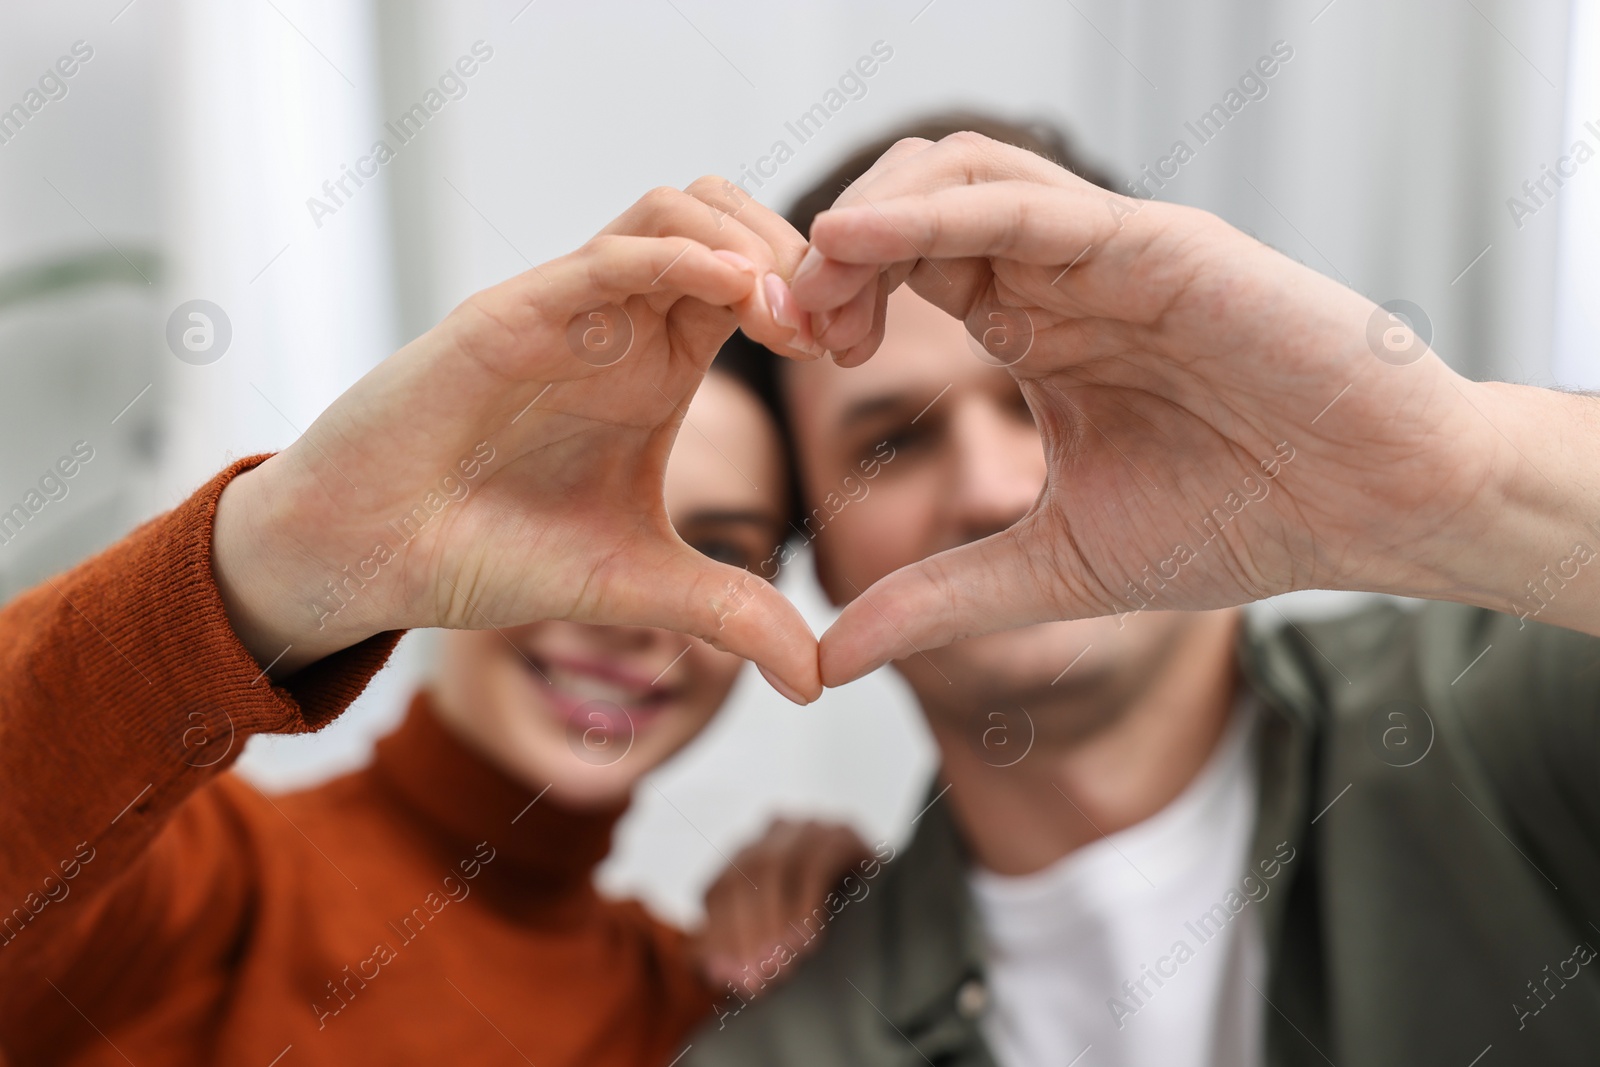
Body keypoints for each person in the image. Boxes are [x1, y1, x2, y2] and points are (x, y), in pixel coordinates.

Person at [684, 117, 1600, 1067]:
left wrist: (1456, 480)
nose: (995, 489)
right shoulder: (787, 1046)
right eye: (892, 444)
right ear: (818, 554)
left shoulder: (1506, 718)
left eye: (1044, 399)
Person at [0, 184, 865, 1064]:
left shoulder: (694, 1006)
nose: (627, 606)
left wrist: (880, 920)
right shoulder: (203, 886)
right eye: (568, 515)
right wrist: (277, 548)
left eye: (718, 550)